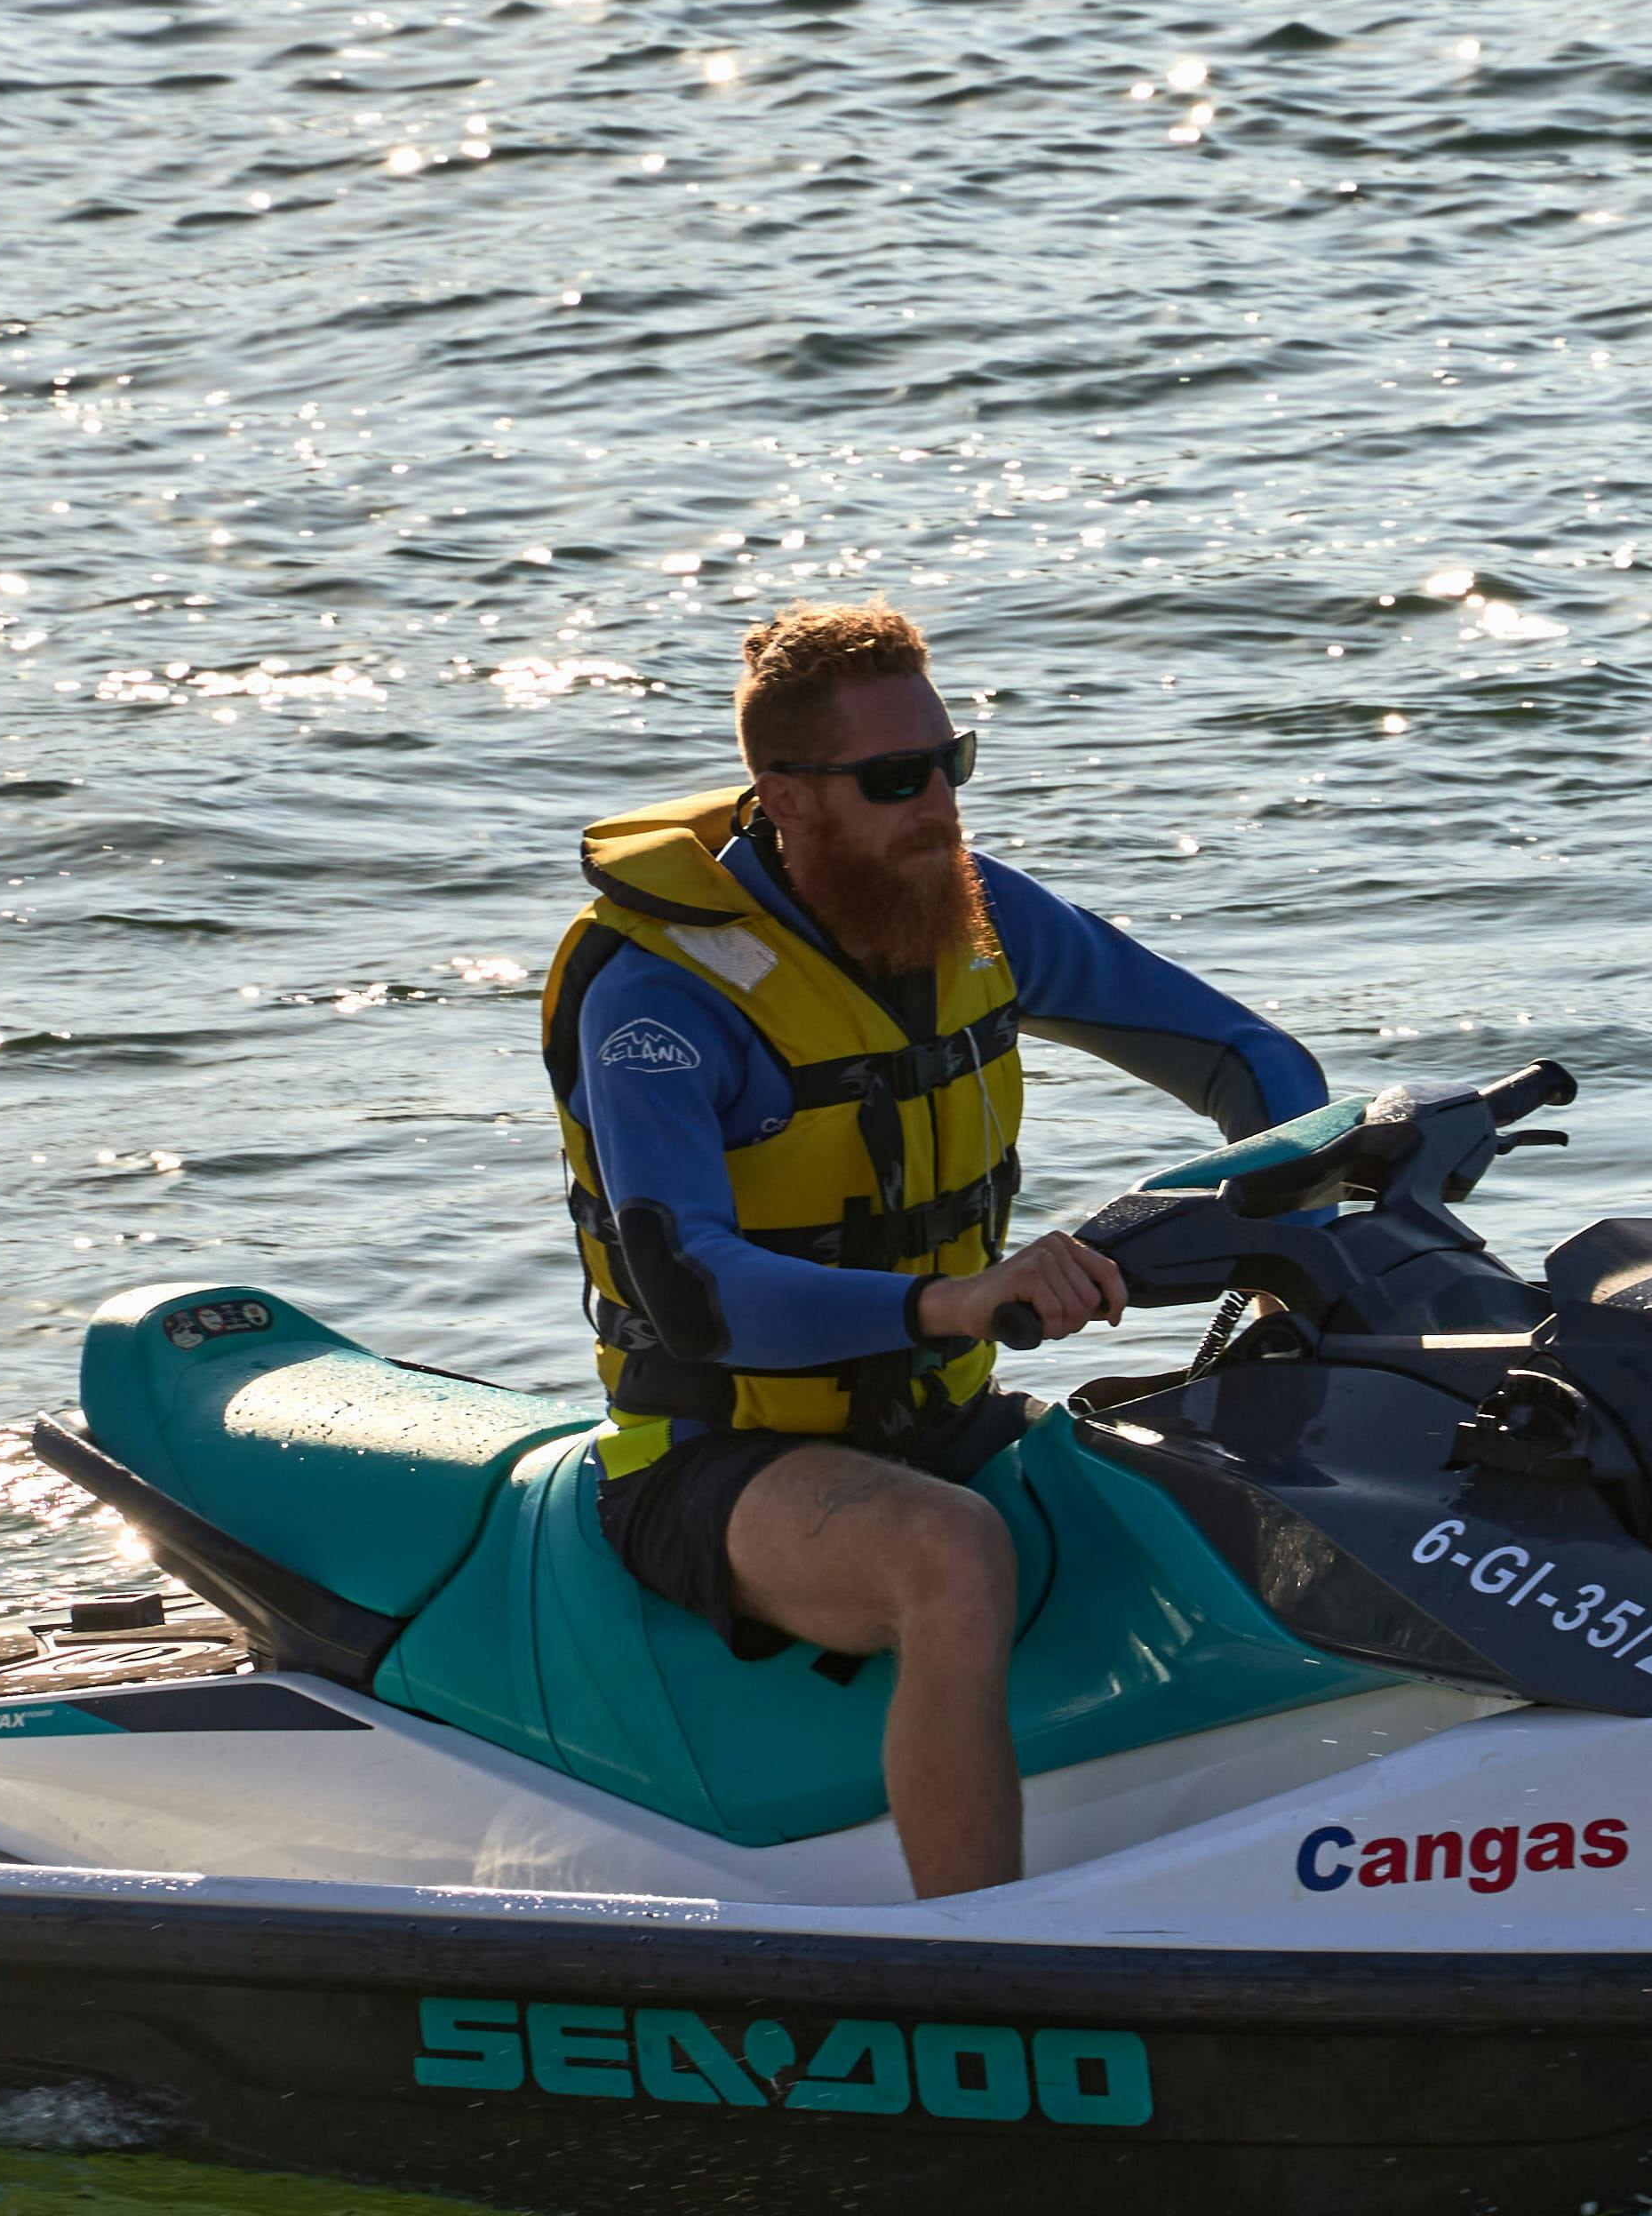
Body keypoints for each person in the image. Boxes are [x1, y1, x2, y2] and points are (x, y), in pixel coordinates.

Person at [542, 598, 1326, 1900]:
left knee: (1221, 1473)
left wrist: (1301, 1226)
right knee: (949, 1554)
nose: (942, 806)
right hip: (712, 1455)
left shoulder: (975, 909)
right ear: (787, 796)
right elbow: (698, 1295)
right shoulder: (661, 997)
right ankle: (979, 1950)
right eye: (898, 779)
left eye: (951, 762)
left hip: (938, 1415)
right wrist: (954, 1303)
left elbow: (1252, 1062)